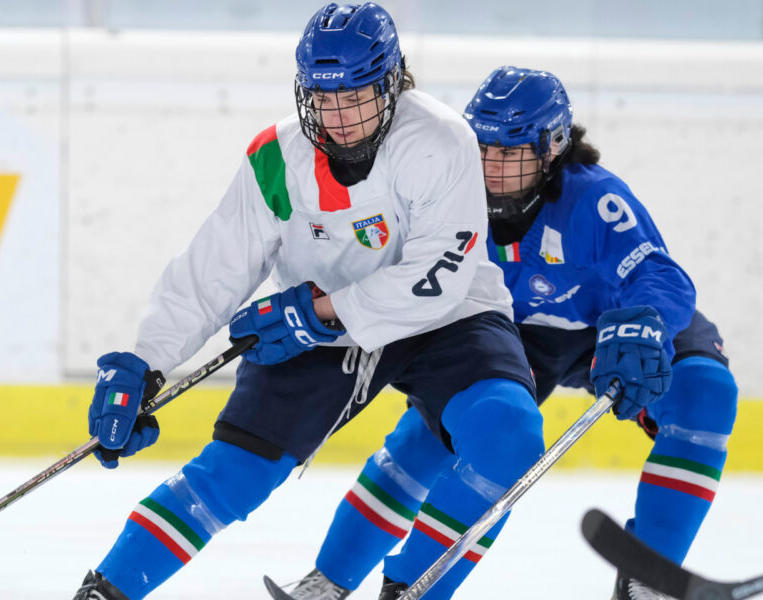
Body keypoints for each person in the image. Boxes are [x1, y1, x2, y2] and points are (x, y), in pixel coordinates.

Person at [68, 5, 574, 599]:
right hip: (315, 323)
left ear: (392, 82)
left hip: (447, 319)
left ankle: (411, 591)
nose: (336, 116)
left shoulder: (440, 140)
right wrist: (144, 360)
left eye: (355, 95)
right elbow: (213, 269)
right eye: (322, 97)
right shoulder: (276, 158)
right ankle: (108, 590)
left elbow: (440, 273)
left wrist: (322, 310)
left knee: (508, 431)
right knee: (236, 473)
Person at [265, 67, 738, 600]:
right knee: (434, 438)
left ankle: (651, 584)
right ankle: (330, 581)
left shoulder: (594, 200)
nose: (491, 166)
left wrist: (646, 320)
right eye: (483, 148)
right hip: (515, 332)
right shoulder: (447, 194)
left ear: (553, 147)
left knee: (706, 391)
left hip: (614, 324)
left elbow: (659, 272)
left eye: (510, 153)